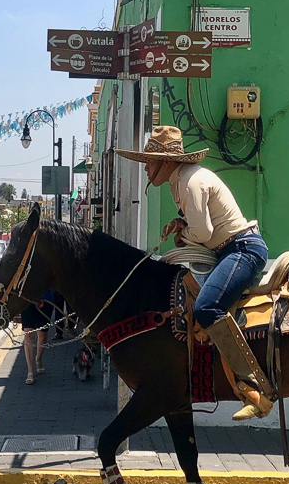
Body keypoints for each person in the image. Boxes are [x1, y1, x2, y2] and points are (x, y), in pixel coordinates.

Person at [117, 125, 274, 421]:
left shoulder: (190, 182)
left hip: (242, 250)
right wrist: (181, 224)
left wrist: (183, 233)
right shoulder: (180, 181)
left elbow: (203, 231)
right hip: (227, 250)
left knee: (206, 307)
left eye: (150, 162)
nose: (147, 168)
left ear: (167, 161)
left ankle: (255, 387)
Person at [21, 288, 59, 385]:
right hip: (27, 299)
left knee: (43, 335)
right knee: (28, 334)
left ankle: (38, 359)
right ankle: (30, 371)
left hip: (46, 299)